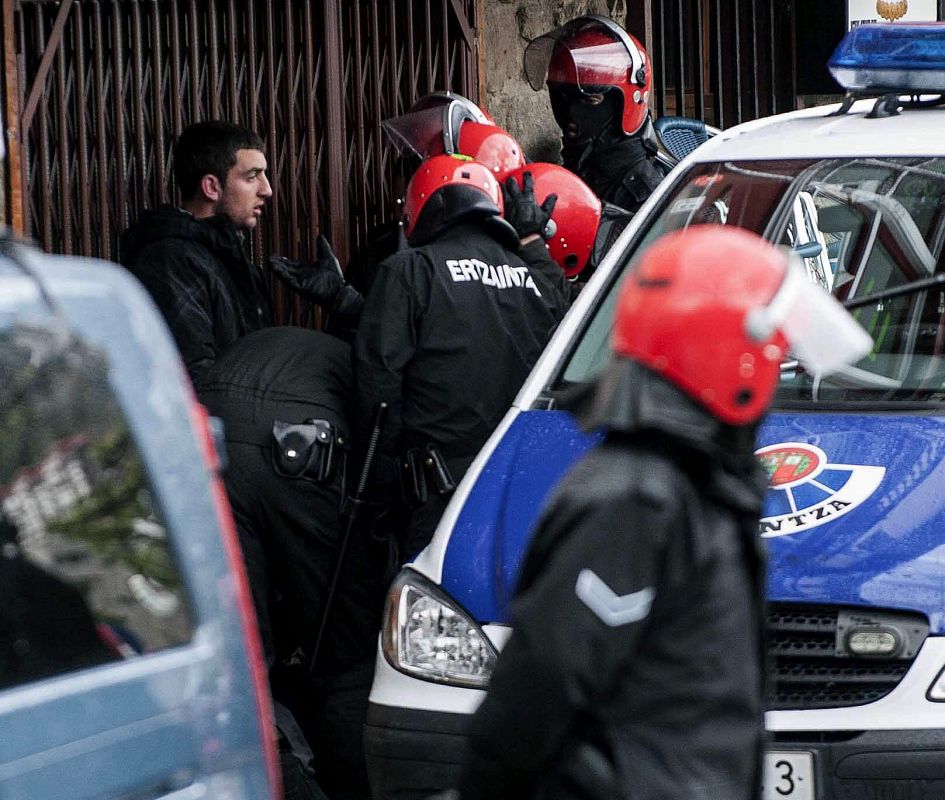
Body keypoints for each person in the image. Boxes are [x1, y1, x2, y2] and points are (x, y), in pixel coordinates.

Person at [456, 226, 873, 800]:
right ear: (729, 357)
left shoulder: (690, 484)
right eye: (773, 350)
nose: (779, 362)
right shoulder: (637, 502)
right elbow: (535, 695)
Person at [199, 325, 387, 800]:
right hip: (304, 443)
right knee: (347, 657)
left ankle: (258, 774)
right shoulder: (363, 373)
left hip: (213, 431)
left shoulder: (281, 346)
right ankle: (349, 787)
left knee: (243, 646)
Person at [354, 153, 570, 561]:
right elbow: (568, 329)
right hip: (525, 495)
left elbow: (378, 393)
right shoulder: (535, 281)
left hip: (438, 504)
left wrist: (375, 504)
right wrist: (532, 243)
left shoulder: (410, 271)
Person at [119, 120, 349, 388]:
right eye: (252, 176)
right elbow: (194, 380)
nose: (267, 190)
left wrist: (339, 301)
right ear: (211, 187)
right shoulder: (169, 261)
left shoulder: (231, 261)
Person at [524, 15, 665, 214]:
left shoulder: (646, 200)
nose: (572, 114)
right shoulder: (577, 170)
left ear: (625, 105)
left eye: (589, 101)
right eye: (564, 99)